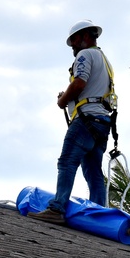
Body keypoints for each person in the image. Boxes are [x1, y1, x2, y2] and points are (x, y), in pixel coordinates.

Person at [30, 20, 117, 224]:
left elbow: (79, 83)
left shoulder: (85, 55)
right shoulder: (104, 60)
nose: (73, 47)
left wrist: (62, 100)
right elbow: (90, 89)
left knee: (67, 161)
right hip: (102, 123)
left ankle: (57, 208)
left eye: (75, 40)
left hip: (85, 122)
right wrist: (69, 98)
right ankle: (98, 214)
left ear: (86, 36)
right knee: (93, 170)